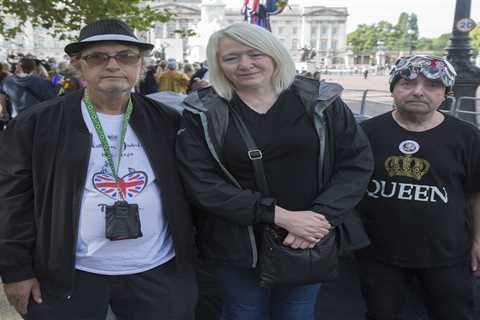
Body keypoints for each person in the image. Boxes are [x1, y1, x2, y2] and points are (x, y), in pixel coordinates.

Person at [0, 18, 197, 320]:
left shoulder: (168, 121)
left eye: (126, 56)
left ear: (140, 65)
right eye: (98, 56)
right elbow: (12, 200)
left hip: (158, 271)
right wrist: (15, 270)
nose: (113, 65)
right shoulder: (37, 124)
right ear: (79, 66)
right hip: (68, 275)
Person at [175, 23, 373, 320]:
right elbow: (202, 183)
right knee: (244, 312)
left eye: (255, 54)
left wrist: (321, 219)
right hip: (238, 241)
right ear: (218, 65)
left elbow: (355, 163)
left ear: (274, 54)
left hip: (308, 238)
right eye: (231, 58)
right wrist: (282, 217)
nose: (244, 65)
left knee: (296, 312)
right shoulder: (203, 111)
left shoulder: (320, 101)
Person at [355, 55, 480, 320]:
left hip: (448, 253)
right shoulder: (365, 133)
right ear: (393, 89)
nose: (418, 91)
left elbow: (475, 193)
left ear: (446, 93)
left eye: (432, 85)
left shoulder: (466, 136)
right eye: (407, 83)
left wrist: (478, 240)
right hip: (379, 253)